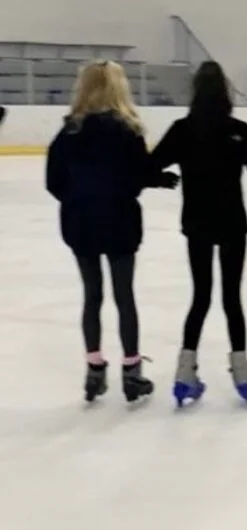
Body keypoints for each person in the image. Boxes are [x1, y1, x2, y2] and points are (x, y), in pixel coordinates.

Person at [150, 61, 247, 407]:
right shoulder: (238, 130)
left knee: (201, 296)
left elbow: (149, 163)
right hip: (232, 223)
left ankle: (185, 371)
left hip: (197, 223)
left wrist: (158, 179)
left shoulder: (182, 130)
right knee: (232, 298)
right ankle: (241, 370)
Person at [45, 61, 177, 403]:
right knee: (124, 295)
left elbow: (54, 181)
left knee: (92, 295)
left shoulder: (69, 131)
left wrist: (77, 200)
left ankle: (94, 370)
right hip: (119, 219)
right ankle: (132, 373)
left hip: (80, 222)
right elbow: (138, 174)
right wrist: (159, 180)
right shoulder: (127, 129)